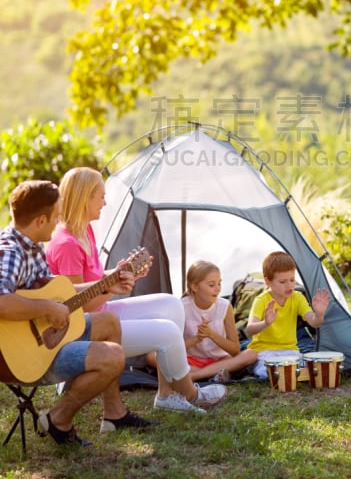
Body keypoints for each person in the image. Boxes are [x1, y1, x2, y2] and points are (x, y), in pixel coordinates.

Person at [46, 167, 226, 421]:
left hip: (102, 311)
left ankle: (165, 395)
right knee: (168, 333)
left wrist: (119, 272)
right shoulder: (66, 245)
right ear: (85, 197)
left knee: (172, 304)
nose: (105, 202)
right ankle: (190, 394)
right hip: (86, 329)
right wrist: (112, 286)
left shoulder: (84, 231)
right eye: (100, 196)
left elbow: (93, 281)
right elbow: (78, 307)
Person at [0, 180, 129, 447]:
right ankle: (59, 419)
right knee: (113, 356)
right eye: (56, 216)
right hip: (22, 358)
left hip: (43, 337)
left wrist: (105, 284)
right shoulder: (11, 252)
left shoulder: (33, 246)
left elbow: (57, 292)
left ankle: (115, 415)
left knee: (109, 322)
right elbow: (2, 301)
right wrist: (47, 308)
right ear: (41, 220)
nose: (59, 221)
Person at [246, 251, 331, 379]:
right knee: (269, 373)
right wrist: (266, 323)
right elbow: (250, 329)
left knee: (309, 369)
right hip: (264, 351)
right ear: (268, 282)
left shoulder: (297, 297)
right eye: (282, 281)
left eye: (292, 280)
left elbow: (314, 322)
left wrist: (319, 314)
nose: (289, 285)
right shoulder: (261, 300)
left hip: (290, 351)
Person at [182, 260, 258, 383]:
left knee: (251, 354)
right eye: (212, 285)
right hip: (190, 360)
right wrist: (197, 338)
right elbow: (176, 348)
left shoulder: (225, 306)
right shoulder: (182, 307)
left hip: (219, 360)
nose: (218, 289)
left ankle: (194, 376)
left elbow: (235, 350)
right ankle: (212, 374)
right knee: (153, 356)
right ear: (195, 287)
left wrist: (211, 334)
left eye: (219, 283)